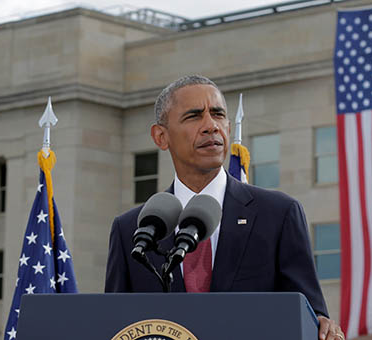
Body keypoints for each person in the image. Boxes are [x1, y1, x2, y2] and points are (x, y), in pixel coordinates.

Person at [105, 75, 345, 340]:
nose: (211, 126)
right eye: (194, 116)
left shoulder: (277, 214)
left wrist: (322, 326)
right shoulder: (132, 230)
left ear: (229, 128)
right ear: (161, 137)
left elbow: (310, 320)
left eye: (218, 115)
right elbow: (116, 327)